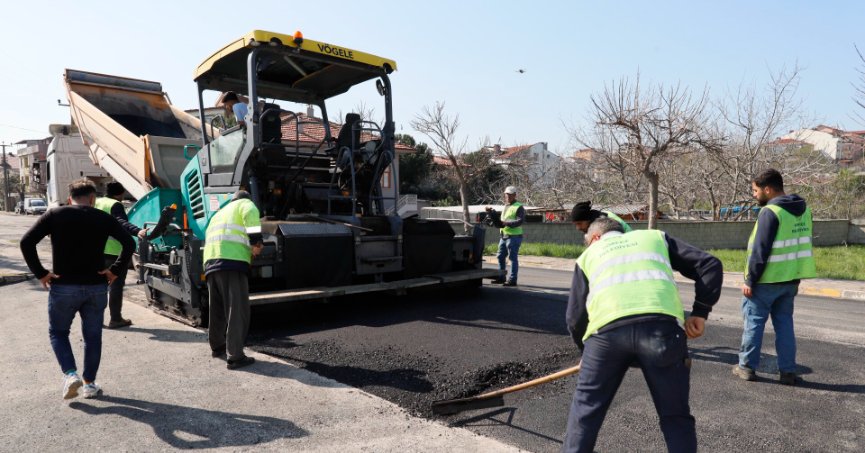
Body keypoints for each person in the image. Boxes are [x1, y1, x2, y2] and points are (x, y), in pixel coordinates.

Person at [564, 217, 722, 452]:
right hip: (661, 331)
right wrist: (700, 312)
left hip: (606, 337)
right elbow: (709, 264)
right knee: (675, 416)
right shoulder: (654, 238)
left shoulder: (588, 255)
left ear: (595, 238)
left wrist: (586, 353)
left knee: (585, 414)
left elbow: (575, 318)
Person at [20, 178, 135, 400]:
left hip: (63, 286)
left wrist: (41, 273)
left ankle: (70, 374)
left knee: (58, 332)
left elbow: (27, 242)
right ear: (93, 198)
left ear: (70, 198)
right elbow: (129, 243)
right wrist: (115, 270)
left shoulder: (55, 215)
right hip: (96, 287)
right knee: (93, 336)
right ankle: (90, 384)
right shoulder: (103, 218)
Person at [733, 169, 815, 385]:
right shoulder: (804, 211)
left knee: (754, 324)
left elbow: (761, 250)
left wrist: (750, 280)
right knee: (785, 325)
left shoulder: (771, 212)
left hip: (765, 282)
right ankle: (788, 372)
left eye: (755, 190)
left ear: (768, 190)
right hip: (791, 280)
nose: (754, 195)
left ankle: (746, 367)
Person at [203, 190, 264, 370]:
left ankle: (218, 346)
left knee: (217, 308)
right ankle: (236, 356)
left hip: (211, 262)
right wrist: (256, 244)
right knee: (236, 309)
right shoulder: (246, 205)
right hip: (232, 261)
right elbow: (251, 216)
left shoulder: (219, 214)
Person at [95, 182, 148, 329]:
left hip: (97, 251)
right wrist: (137, 230)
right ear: (120, 194)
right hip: (114, 252)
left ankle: (95, 319)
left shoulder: (96, 202)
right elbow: (120, 222)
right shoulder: (115, 205)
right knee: (115, 286)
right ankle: (116, 319)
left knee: (98, 286)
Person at [485, 186, 525, 286]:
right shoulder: (506, 205)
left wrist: (506, 223)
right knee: (500, 256)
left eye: (510, 194)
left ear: (515, 195)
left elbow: (520, 221)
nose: (508, 196)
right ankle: (501, 277)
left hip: (514, 236)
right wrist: (492, 214)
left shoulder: (519, 206)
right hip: (504, 236)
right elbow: (501, 220)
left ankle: (512, 280)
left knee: (512, 258)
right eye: (506, 194)